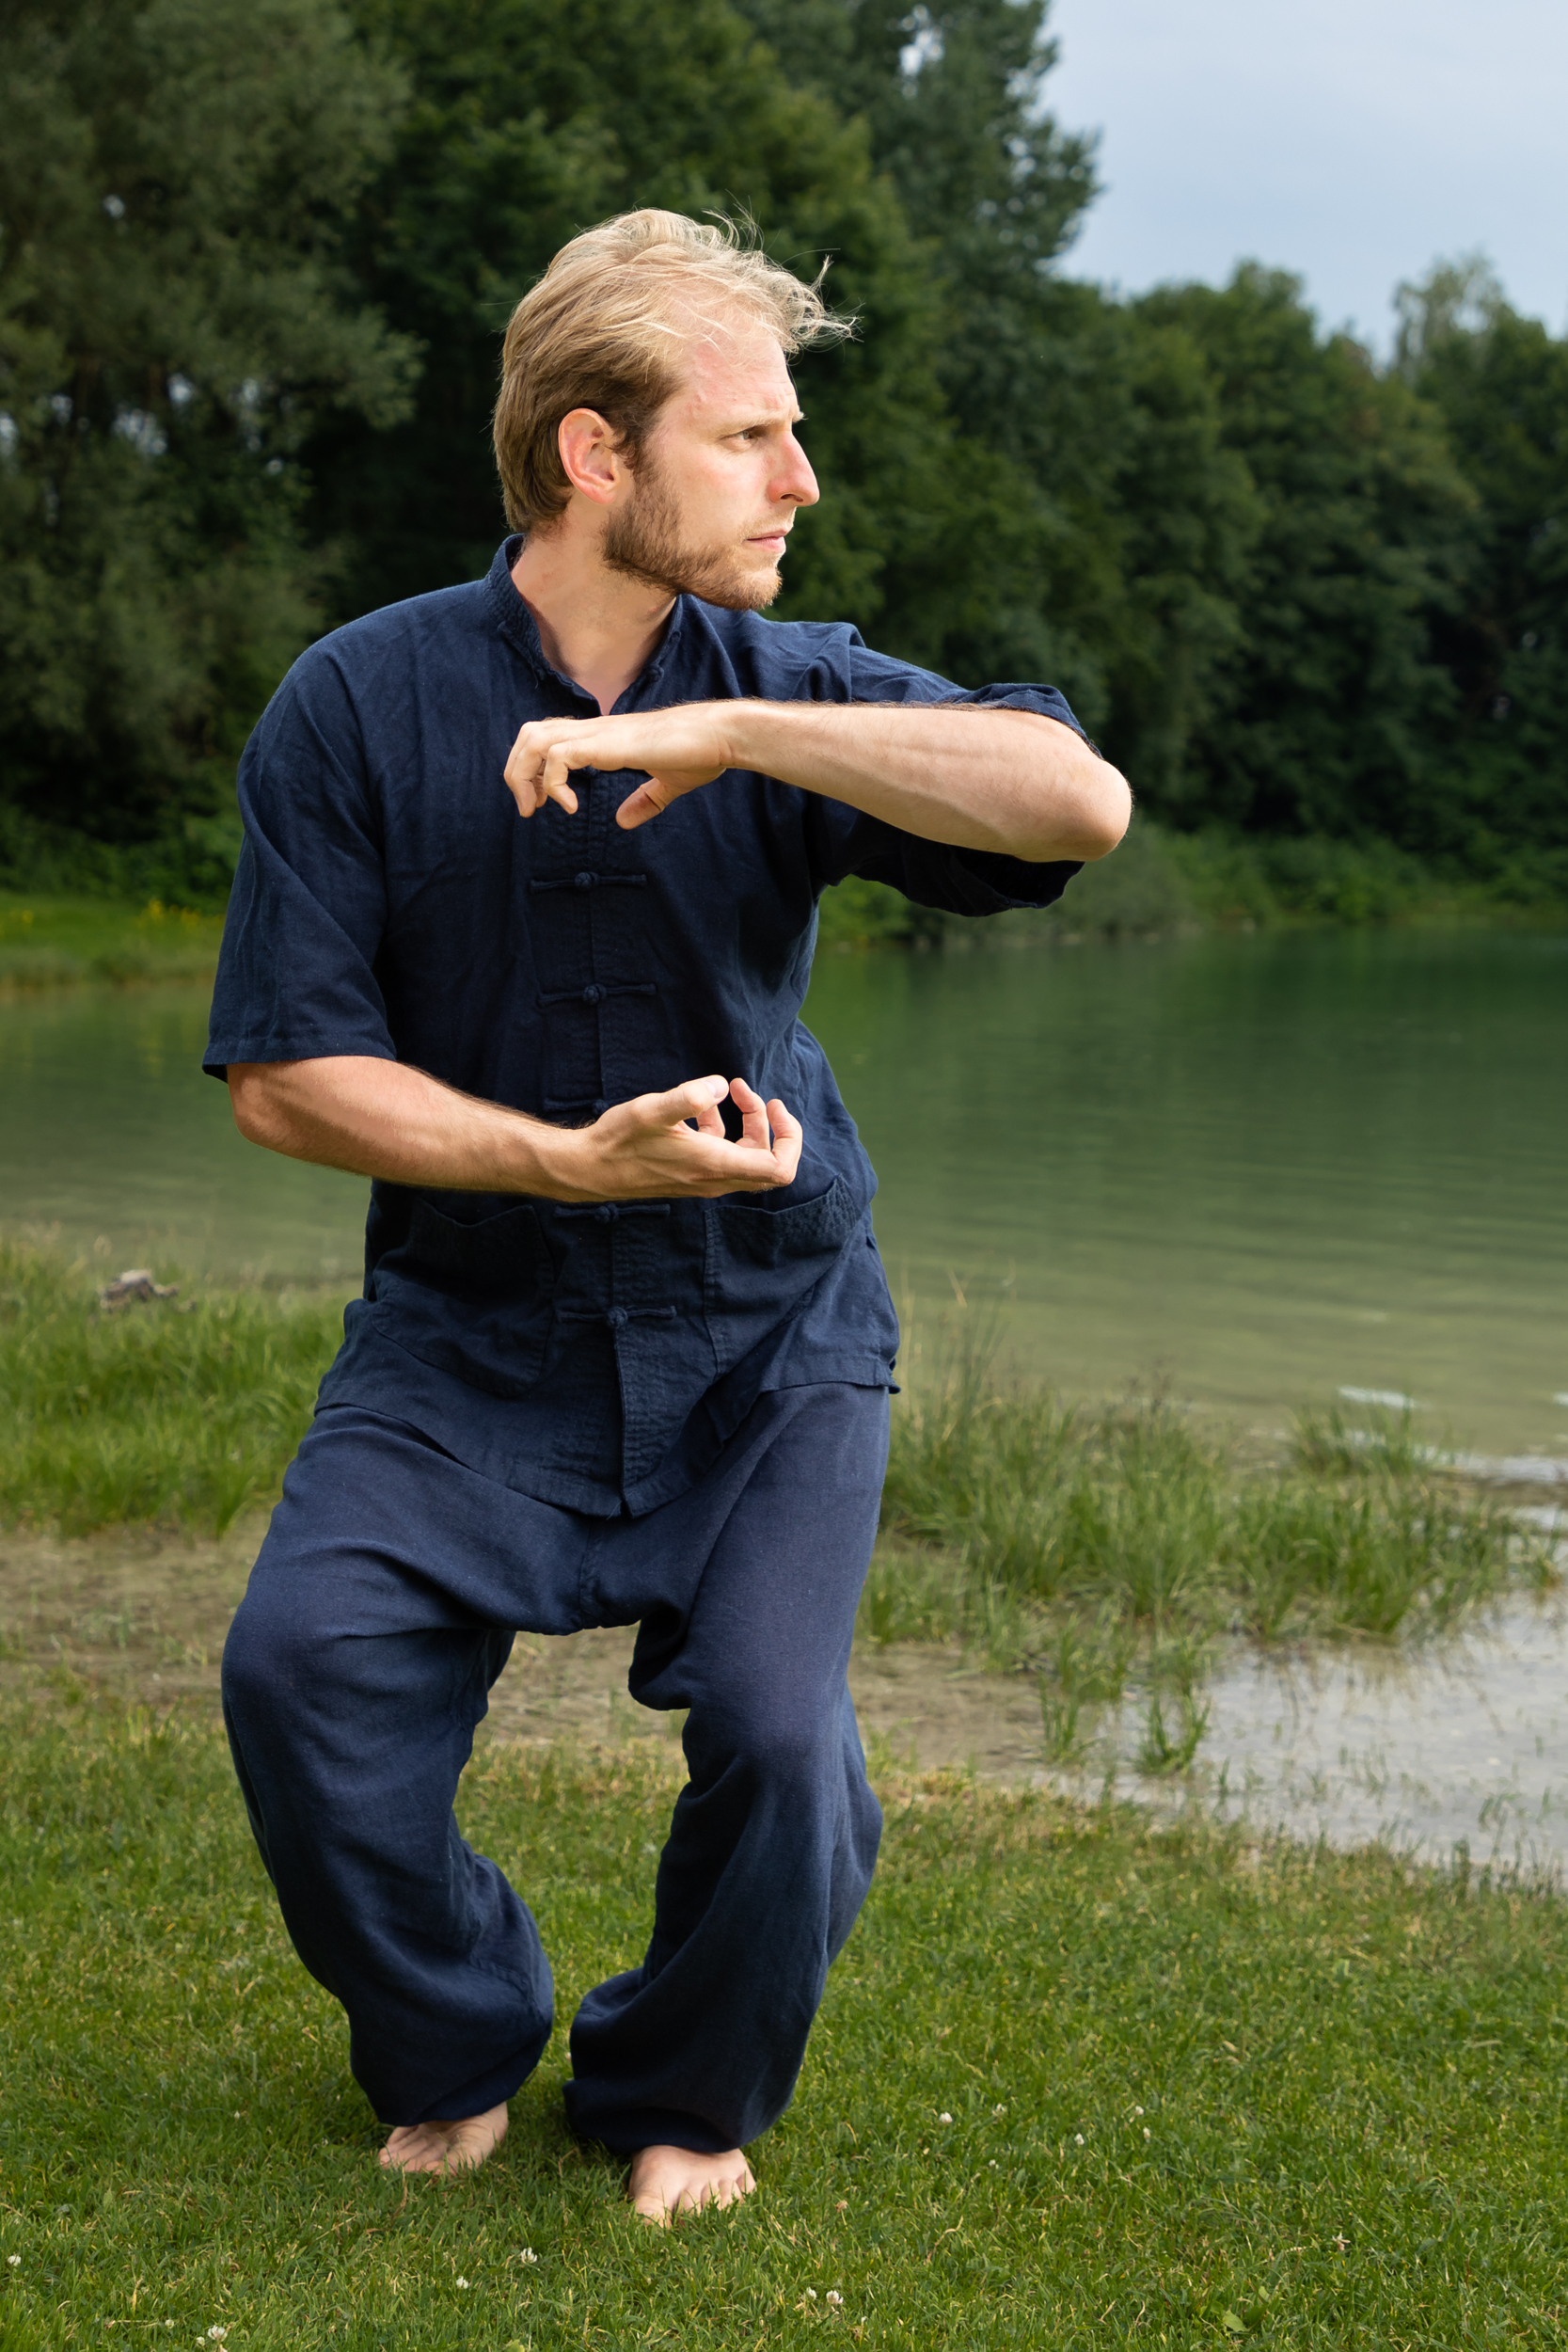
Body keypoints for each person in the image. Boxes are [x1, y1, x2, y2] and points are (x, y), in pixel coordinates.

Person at [208, 209, 1129, 2225]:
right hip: (468, 1330)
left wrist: (730, 730)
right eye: (755, 435)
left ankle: (680, 2087)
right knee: (299, 1673)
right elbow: (285, 1073)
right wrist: (562, 1158)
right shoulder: (356, 707)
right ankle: (455, 2030)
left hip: (771, 1333)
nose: (802, 479)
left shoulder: (789, 682)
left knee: (788, 1744)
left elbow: (1078, 803)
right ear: (594, 457)